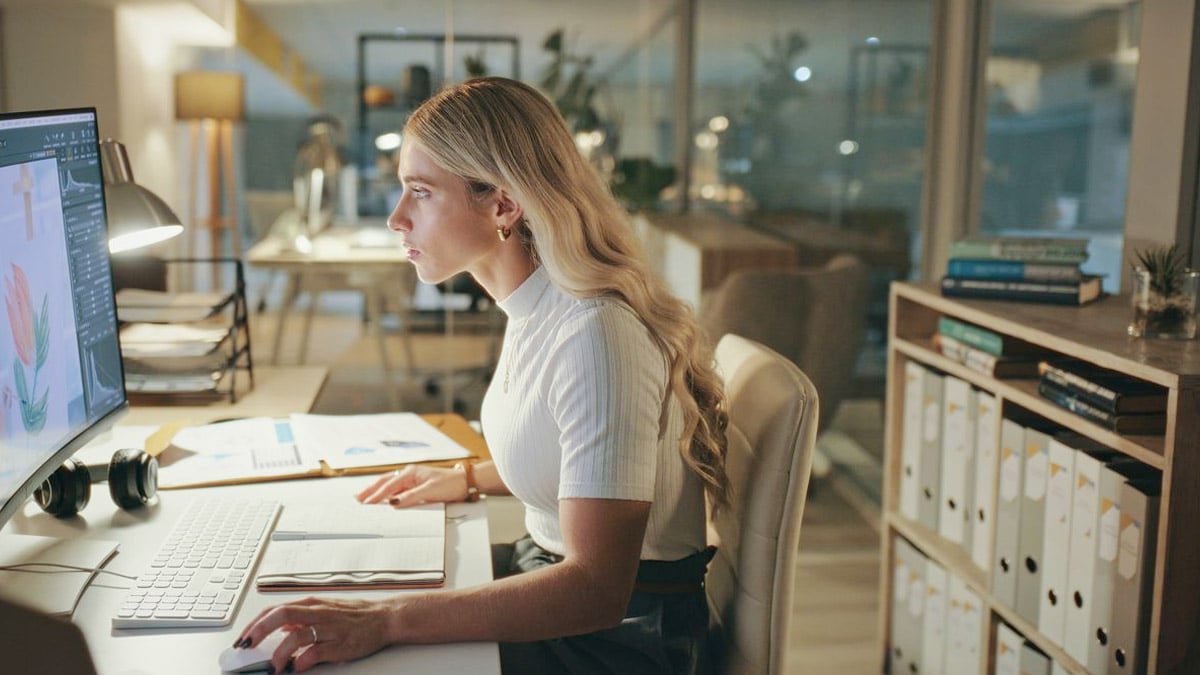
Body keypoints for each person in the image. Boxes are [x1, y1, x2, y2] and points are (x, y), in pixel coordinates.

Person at [232, 77, 729, 675]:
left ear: (501, 204)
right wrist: (470, 477)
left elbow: (597, 590)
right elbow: (576, 454)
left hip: (619, 641)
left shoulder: (598, 336)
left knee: (347, 642)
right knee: (328, 600)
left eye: (420, 192)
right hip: (554, 578)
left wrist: (387, 622)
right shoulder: (540, 305)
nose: (396, 219)